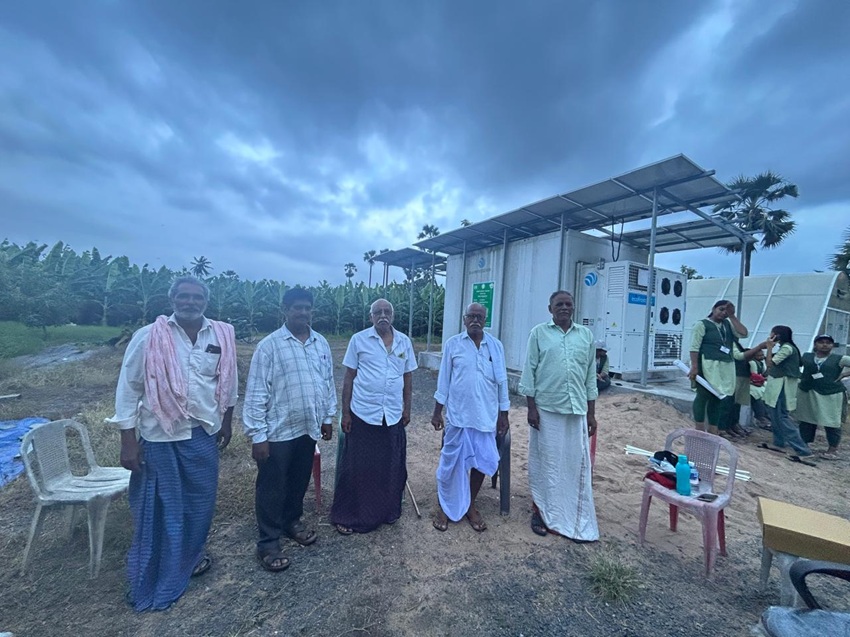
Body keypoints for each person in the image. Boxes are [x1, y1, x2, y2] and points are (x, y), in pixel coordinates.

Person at [109, 276, 237, 612]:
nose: (190, 302)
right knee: (159, 505)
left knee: (200, 502)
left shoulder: (221, 334)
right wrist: (128, 440)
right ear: (172, 299)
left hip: (202, 433)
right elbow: (128, 388)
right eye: (183, 296)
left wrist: (227, 421)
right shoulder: (149, 336)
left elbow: (228, 379)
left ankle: (190, 556)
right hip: (159, 434)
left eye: (197, 297)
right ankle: (156, 569)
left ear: (206, 301)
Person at [243, 287, 337, 572]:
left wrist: (328, 418)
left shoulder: (320, 343)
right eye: (297, 307)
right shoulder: (270, 346)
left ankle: (291, 522)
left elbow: (327, 383)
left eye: (307, 308)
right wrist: (257, 435)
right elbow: (257, 391)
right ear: (285, 310)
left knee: (298, 480)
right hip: (277, 430)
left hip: (307, 427)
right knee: (272, 486)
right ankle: (268, 542)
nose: (303, 313)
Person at [331, 299, 417, 534]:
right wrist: (346, 412)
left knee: (390, 466)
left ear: (393, 315)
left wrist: (406, 409)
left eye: (386, 311)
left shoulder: (404, 342)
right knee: (358, 467)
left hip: (391, 415)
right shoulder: (359, 340)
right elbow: (349, 377)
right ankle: (348, 516)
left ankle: (387, 511)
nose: (382, 315)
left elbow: (407, 377)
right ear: (370, 317)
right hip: (363, 414)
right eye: (377, 312)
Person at [519, 291, 598, 542]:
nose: (564, 308)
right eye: (559, 304)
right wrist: (531, 408)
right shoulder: (539, 333)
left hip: (576, 411)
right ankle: (540, 511)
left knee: (573, 464)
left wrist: (591, 414)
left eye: (568, 304)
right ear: (550, 308)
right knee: (546, 464)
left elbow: (590, 378)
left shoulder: (585, 336)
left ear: (573, 308)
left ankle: (574, 512)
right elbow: (529, 372)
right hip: (546, 410)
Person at [431, 302, 510, 533]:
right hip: (458, 416)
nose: (475, 320)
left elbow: (502, 382)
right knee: (450, 464)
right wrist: (437, 411)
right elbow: (444, 381)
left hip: (486, 417)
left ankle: (470, 505)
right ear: (464, 319)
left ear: (485, 320)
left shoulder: (495, 347)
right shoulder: (453, 344)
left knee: (482, 461)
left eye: (479, 317)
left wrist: (503, 414)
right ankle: (445, 507)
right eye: (471, 316)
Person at [687, 300, 749, 436]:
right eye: (721, 309)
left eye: (726, 311)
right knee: (703, 395)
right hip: (707, 364)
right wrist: (695, 366)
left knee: (718, 397)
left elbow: (744, 333)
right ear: (713, 308)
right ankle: (699, 428)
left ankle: (713, 429)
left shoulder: (727, 324)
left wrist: (733, 316)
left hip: (725, 366)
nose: (723, 313)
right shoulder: (702, 324)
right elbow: (694, 347)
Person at [758, 325, 812, 457]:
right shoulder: (787, 348)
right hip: (778, 384)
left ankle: (801, 448)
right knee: (776, 415)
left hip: (781, 386)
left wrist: (769, 347)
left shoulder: (787, 348)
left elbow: (770, 363)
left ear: (777, 335)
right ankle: (779, 442)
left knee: (781, 416)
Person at [795, 334, 850, 460]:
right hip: (808, 391)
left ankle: (833, 449)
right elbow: (793, 365)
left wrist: (845, 374)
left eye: (828, 342)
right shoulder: (806, 357)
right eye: (821, 342)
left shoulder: (839, 359)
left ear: (832, 345)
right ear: (815, 344)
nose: (825, 344)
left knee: (831, 421)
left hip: (830, 394)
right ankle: (804, 444)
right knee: (806, 419)